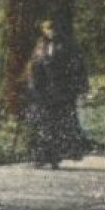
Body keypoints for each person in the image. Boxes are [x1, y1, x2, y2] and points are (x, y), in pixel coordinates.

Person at [24, 20, 90, 168]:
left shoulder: (67, 46)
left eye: (53, 28)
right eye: (47, 29)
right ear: (43, 30)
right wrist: (32, 84)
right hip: (44, 91)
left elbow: (78, 67)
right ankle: (42, 157)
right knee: (43, 124)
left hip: (62, 91)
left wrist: (80, 87)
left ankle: (56, 157)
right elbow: (34, 66)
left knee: (59, 125)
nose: (50, 32)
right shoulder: (40, 46)